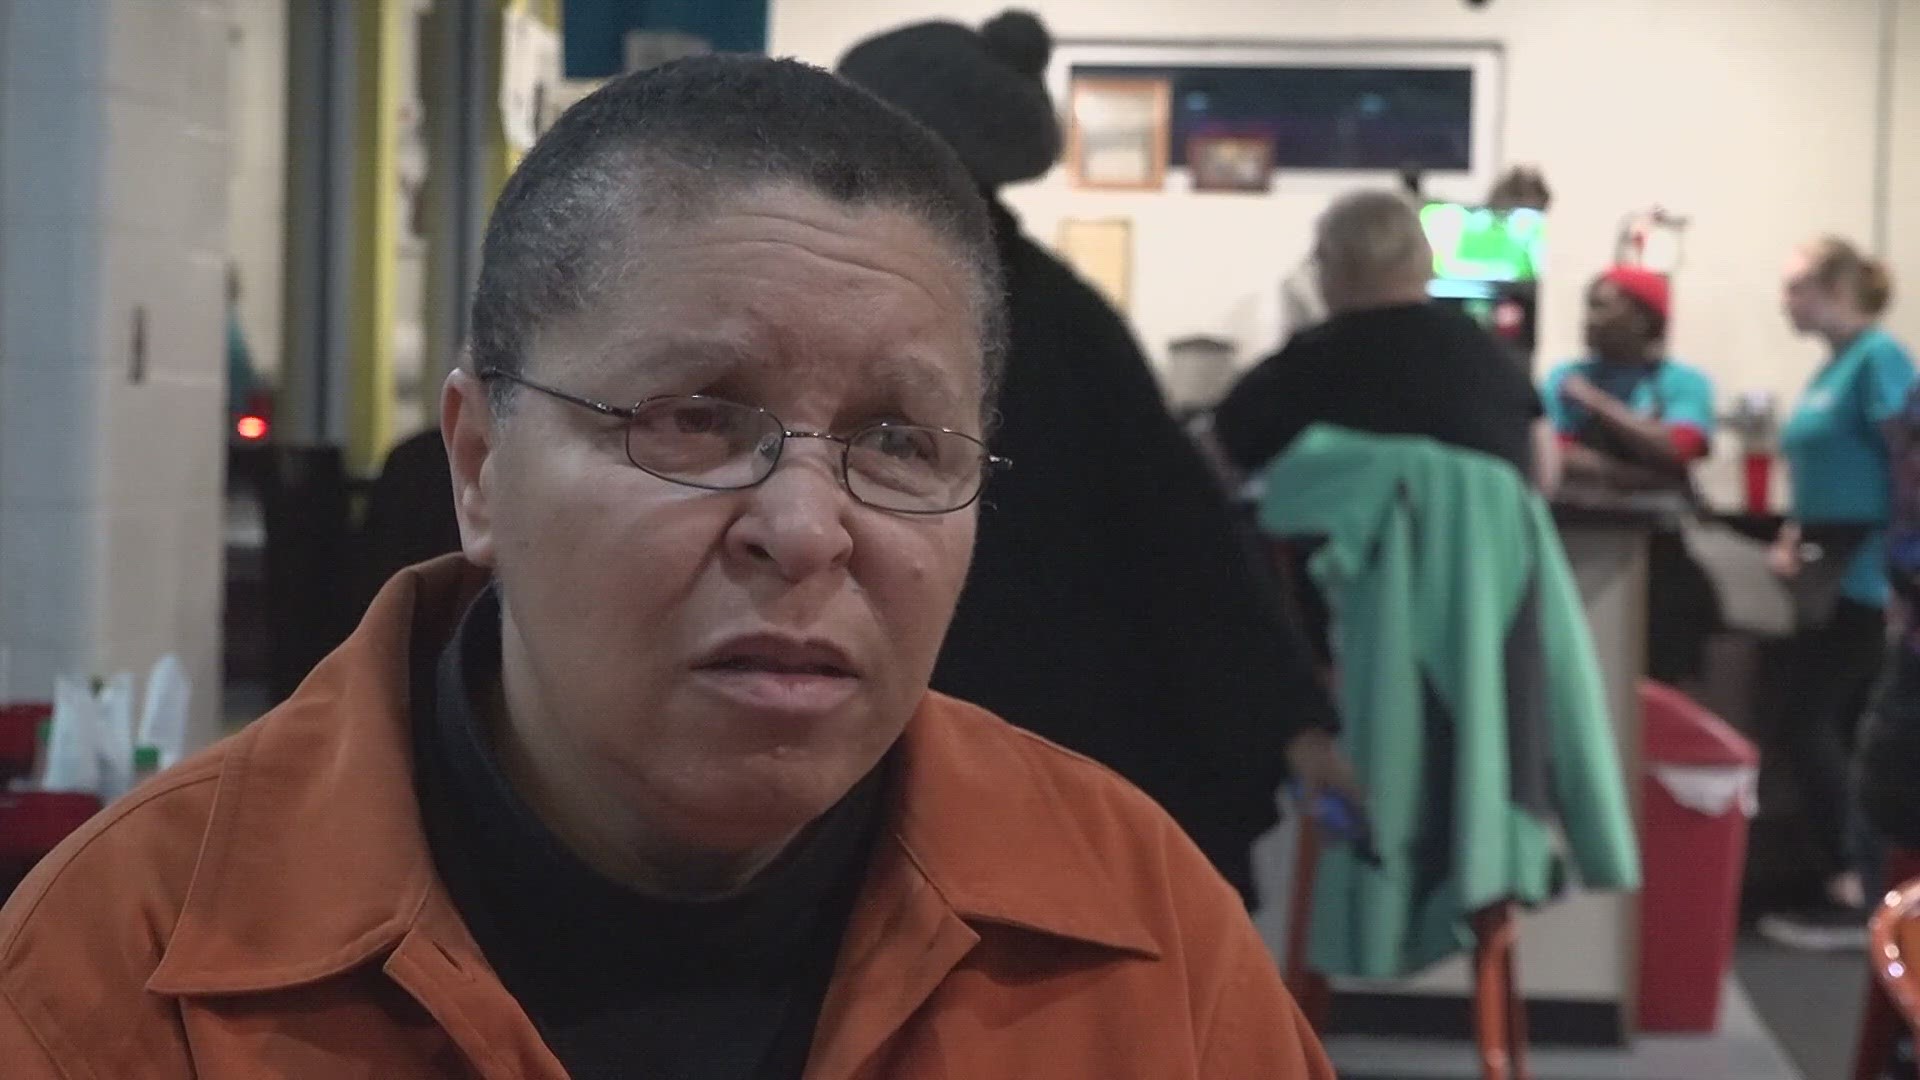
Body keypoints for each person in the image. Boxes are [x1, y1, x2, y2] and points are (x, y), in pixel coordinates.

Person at [0, 57, 1333, 1078]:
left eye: (899, 442)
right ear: (479, 466)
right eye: (695, 417)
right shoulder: (137, 969)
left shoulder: (1139, 941)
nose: (806, 529)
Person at [839, 11, 1352, 908]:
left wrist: (1295, 723)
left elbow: (1179, 532)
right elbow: (1189, 526)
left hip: (1003, 750)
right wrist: (1290, 720)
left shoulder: (1008, 315)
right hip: (1011, 741)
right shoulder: (1053, 309)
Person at [1758, 236, 1918, 951]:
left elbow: (1903, 458)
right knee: (1836, 721)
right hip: (1828, 562)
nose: (1785, 299)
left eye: (1795, 285)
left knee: (1811, 719)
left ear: (1836, 290)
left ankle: (1856, 885)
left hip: (1867, 569)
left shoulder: (1879, 360)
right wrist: (1794, 532)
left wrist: (1901, 572)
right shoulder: (1833, 370)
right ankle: (1860, 880)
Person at [1208, 189, 1550, 488]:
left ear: (1330, 267)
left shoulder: (1296, 369)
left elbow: (1217, 466)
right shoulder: (1492, 361)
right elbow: (1544, 475)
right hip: (1481, 561)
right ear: (1425, 263)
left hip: (1333, 562)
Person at [1541, 267, 1720, 685]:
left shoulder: (1682, 383)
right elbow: (1557, 454)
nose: (1590, 318)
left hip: (1661, 561)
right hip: (1577, 554)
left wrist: (1596, 404)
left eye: (1603, 307)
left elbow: (1681, 446)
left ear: (1642, 318)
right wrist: (1644, 475)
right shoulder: (1564, 377)